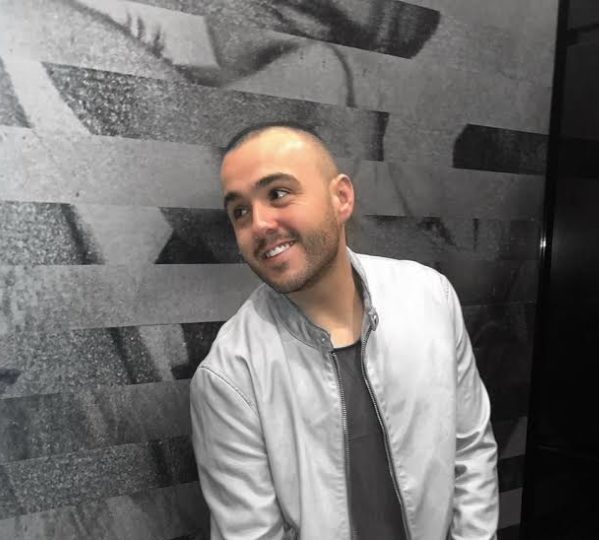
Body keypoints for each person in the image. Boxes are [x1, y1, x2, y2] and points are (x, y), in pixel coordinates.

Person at [190, 122, 499, 540]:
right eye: (239, 211)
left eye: (278, 194)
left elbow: (472, 451)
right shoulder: (229, 376)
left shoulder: (430, 297)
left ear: (341, 197)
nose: (258, 224)